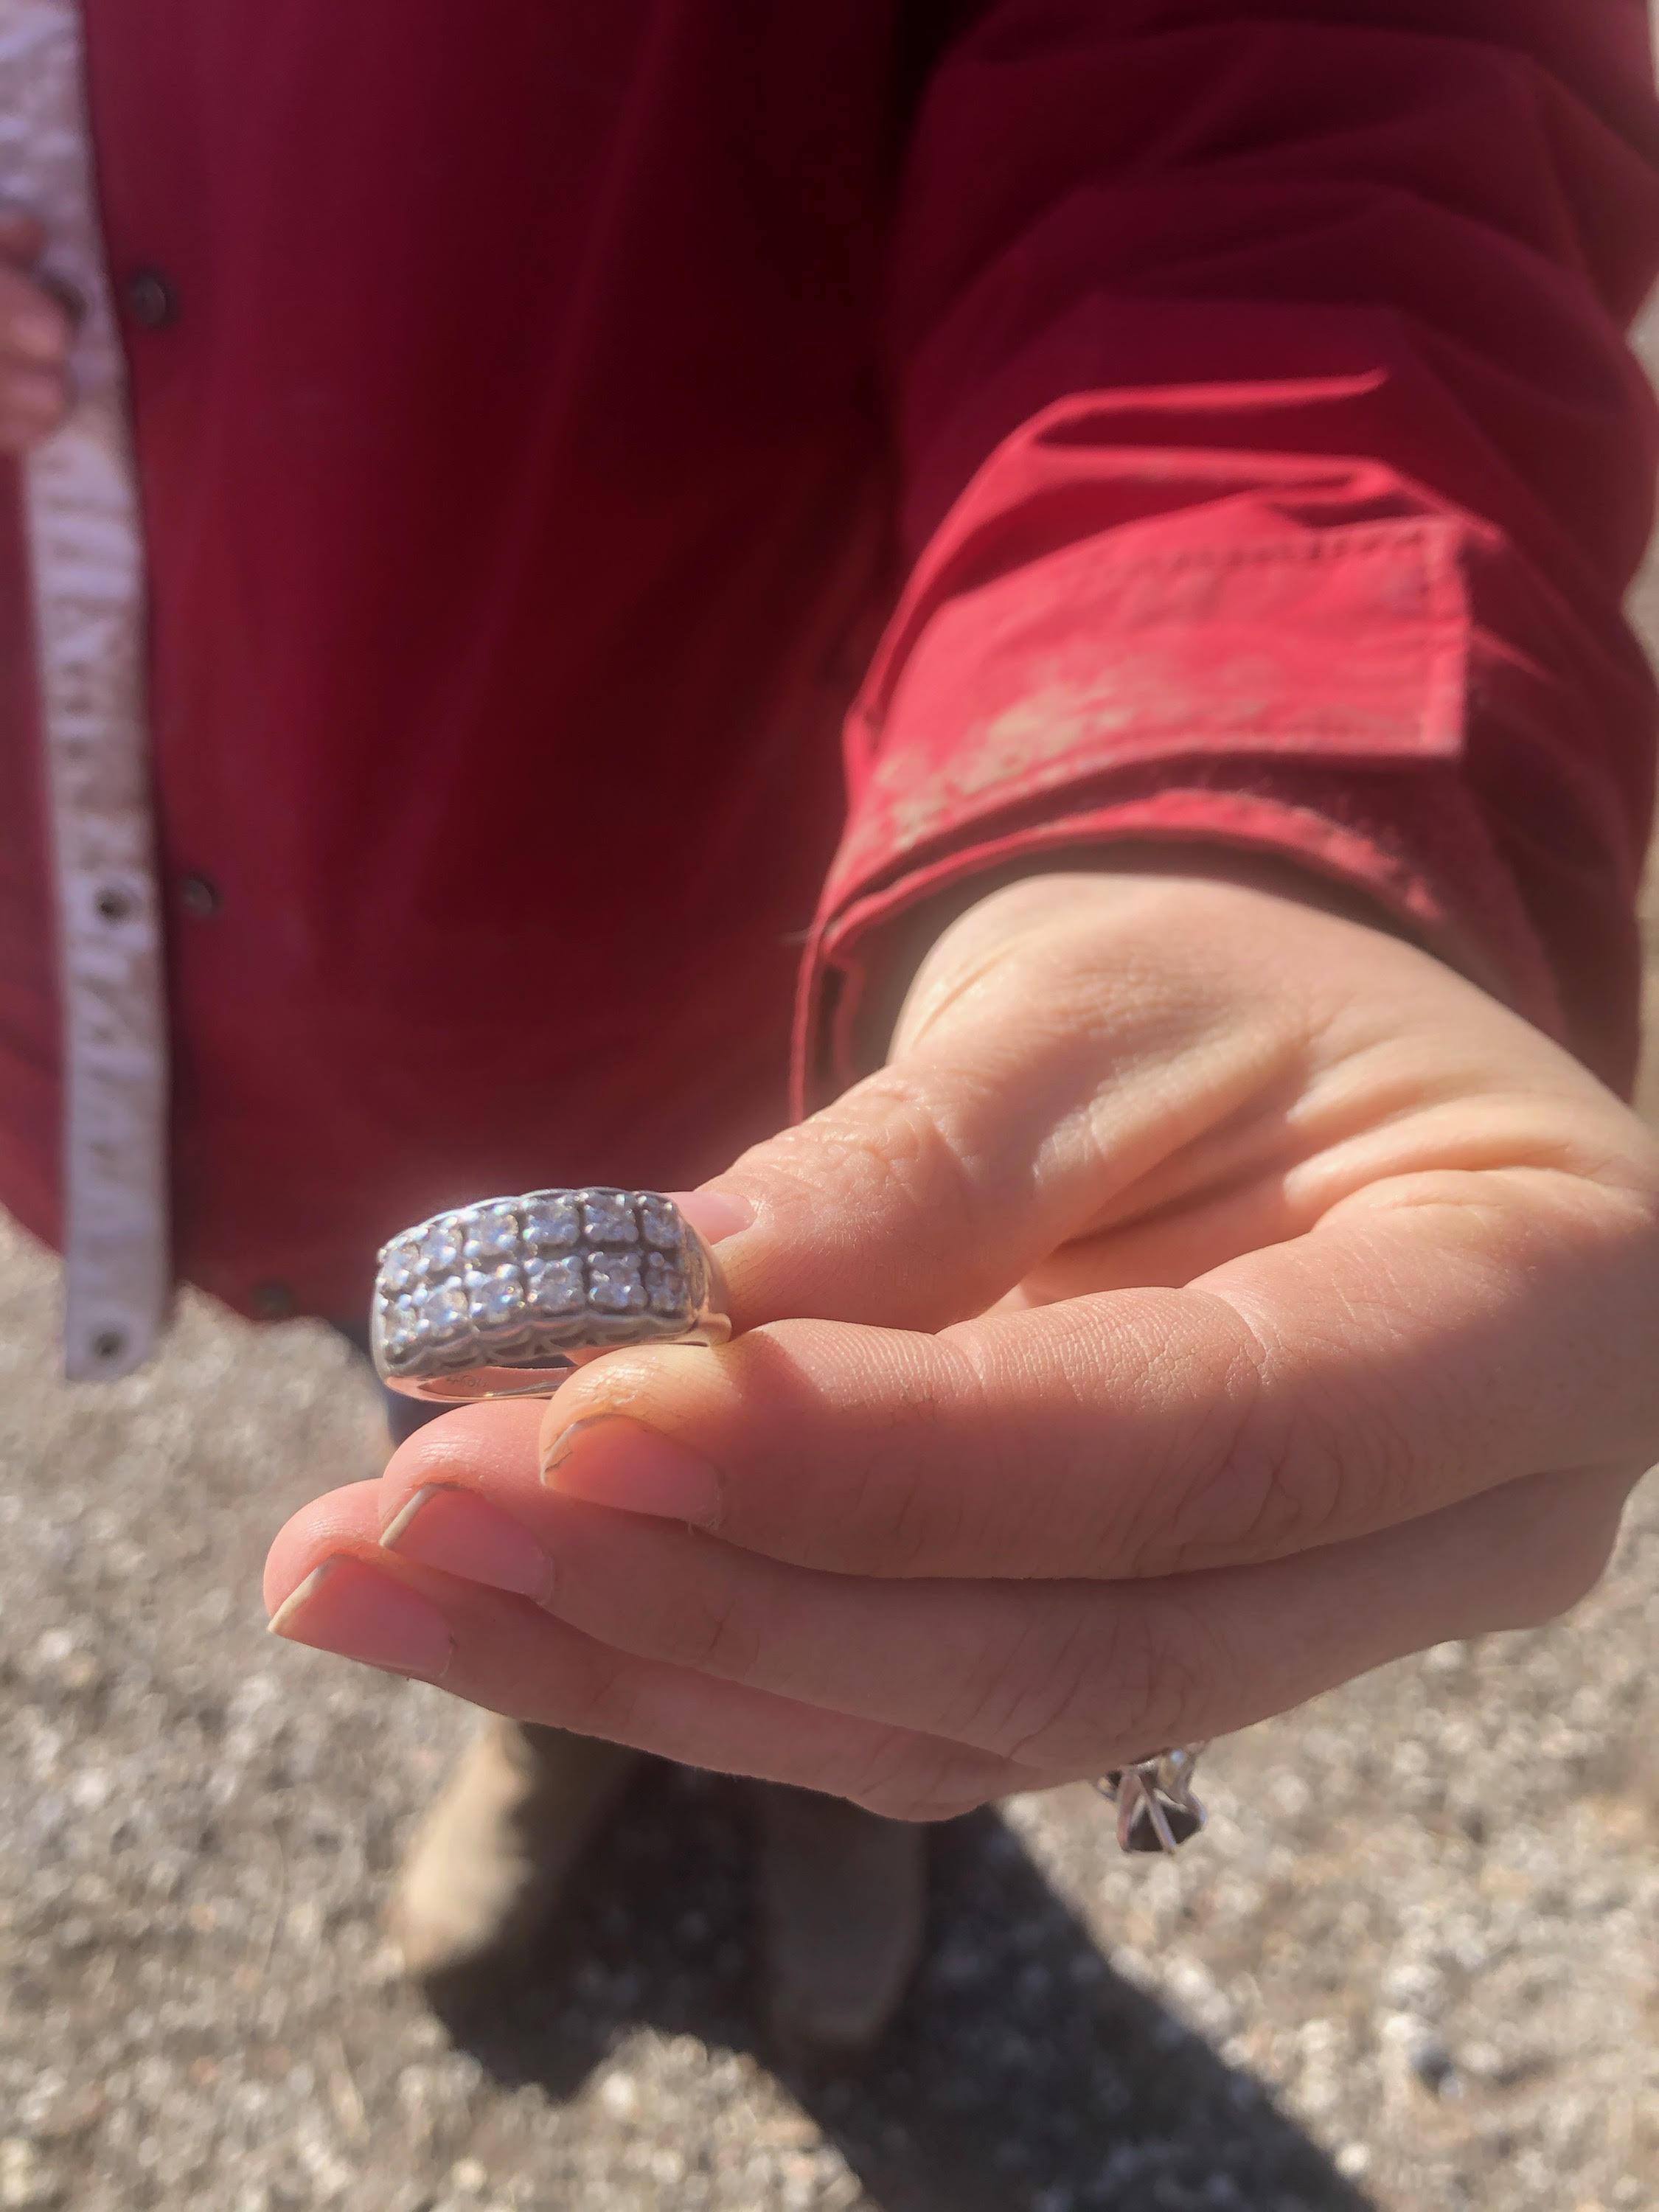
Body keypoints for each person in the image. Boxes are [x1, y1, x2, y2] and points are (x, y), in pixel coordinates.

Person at [6, 1, 1659, 2062]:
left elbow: (1289, 86)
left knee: (837, 1447)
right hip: (235, 963)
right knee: (473, 1435)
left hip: (761, 883)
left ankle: (859, 1782)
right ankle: (568, 1720)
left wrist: (1211, 776)